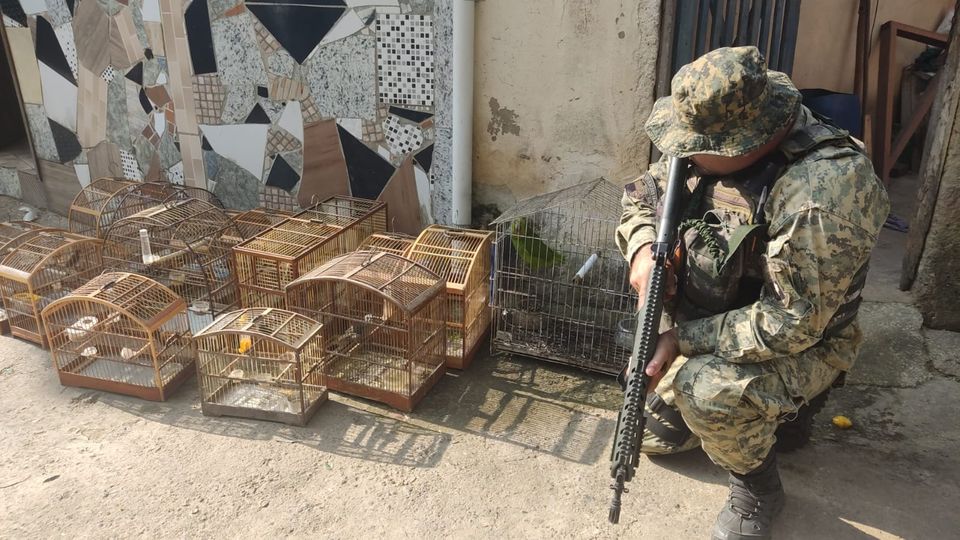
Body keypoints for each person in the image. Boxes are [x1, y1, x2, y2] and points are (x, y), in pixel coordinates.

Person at [616, 46, 889, 539]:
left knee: (707, 394)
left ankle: (758, 486)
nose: (678, 151)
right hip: (725, 323)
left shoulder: (822, 190)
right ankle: (757, 421)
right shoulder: (703, 152)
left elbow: (793, 323)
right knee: (656, 439)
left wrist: (679, 340)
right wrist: (642, 252)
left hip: (804, 342)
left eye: (694, 143)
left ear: (740, 141)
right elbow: (641, 198)